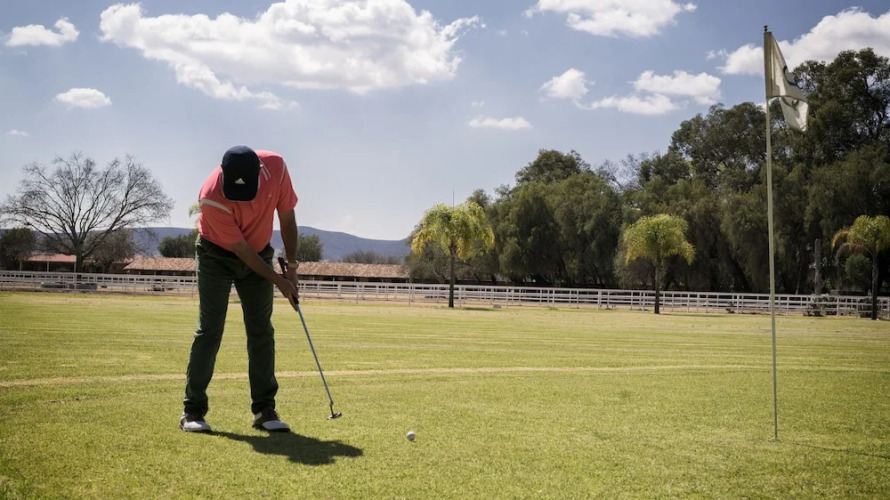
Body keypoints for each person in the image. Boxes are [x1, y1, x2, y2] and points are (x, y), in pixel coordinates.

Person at [180, 145, 301, 433]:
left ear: (260, 172)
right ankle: (192, 410)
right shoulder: (211, 195)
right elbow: (242, 251)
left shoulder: (277, 167)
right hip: (216, 255)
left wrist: (292, 267)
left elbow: (287, 217)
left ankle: (264, 409)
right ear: (223, 175)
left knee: (261, 330)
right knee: (210, 329)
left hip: (259, 250)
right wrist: (279, 281)